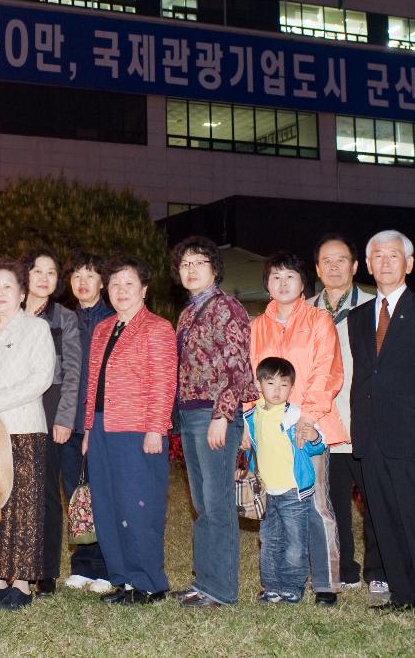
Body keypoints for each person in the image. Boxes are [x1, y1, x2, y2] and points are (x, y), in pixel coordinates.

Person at [347, 230, 415, 624]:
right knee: (385, 515)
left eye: (394, 255)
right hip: (370, 433)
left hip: (412, 431)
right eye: (377, 255)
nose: (386, 262)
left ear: (409, 264)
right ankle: (404, 591)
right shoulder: (359, 317)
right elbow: (366, 374)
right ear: (368, 264)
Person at [249, 251, 346, 606]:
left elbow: (327, 372)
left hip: (308, 428)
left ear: (304, 283)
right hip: (267, 432)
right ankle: (277, 581)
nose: (283, 282)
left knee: (316, 505)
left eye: (290, 276)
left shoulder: (320, 321)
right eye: (276, 276)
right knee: (274, 509)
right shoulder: (256, 326)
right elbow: (250, 378)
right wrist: (250, 422)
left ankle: (325, 583)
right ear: (267, 284)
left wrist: (308, 417)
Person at [81, 255, 176, 605]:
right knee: (107, 504)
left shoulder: (158, 328)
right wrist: (89, 428)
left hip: (138, 428)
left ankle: (149, 582)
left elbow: (164, 384)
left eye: (129, 284)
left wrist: (156, 429)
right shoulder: (103, 328)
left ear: (144, 289)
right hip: (104, 428)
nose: (121, 291)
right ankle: (122, 578)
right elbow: (94, 384)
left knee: (139, 505)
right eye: (115, 284)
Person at [0, 257, 57, 612]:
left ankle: (21, 584)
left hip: (22, 429)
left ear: (21, 294)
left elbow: (40, 378)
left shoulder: (36, 329)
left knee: (23, 508)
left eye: (7, 287)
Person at [171, 235, 257, 608]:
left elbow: (237, 366)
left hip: (214, 413)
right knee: (201, 503)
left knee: (217, 504)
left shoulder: (229, 308)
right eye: (185, 264)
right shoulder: (188, 313)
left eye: (198, 263)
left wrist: (223, 416)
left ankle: (221, 590)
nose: (191, 270)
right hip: (190, 412)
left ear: (214, 269)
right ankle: (203, 581)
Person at [309, 233, 386, 597]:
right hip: (326, 424)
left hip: (366, 421)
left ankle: (379, 571)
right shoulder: (307, 310)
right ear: (318, 268)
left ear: (355, 267)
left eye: (342, 260)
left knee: (374, 500)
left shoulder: (374, 307)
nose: (335, 267)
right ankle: (344, 569)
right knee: (332, 502)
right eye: (327, 261)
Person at [243, 357, 327, 605]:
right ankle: (271, 586)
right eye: (270, 383)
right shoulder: (250, 416)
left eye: (283, 385)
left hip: (293, 491)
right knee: (269, 541)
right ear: (259, 385)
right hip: (266, 492)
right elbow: (250, 450)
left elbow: (317, 446)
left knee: (295, 542)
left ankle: (292, 586)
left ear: (291, 387)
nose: (277, 391)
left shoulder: (296, 415)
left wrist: (312, 436)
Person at [22, 247, 82, 596]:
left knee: (45, 492)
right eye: (37, 271)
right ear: (25, 275)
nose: (44, 278)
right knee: (15, 491)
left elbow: (73, 372)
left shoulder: (64, 317)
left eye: (51, 273)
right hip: (13, 408)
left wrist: (64, 417)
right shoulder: (9, 311)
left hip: (50, 405)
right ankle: (14, 563)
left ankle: (44, 572)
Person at [61, 251, 114, 593]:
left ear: (102, 282)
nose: (83, 282)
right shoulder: (66, 319)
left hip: (100, 421)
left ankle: (107, 566)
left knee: (102, 495)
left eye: (90, 275)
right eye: (77, 275)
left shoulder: (110, 320)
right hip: (68, 421)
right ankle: (82, 565)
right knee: (75, 495)